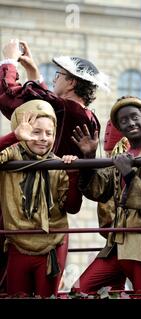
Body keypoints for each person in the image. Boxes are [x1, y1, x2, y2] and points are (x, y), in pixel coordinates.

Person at [71, 96, 141, 294]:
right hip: (115, 246)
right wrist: (88, 158)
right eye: (124, 120)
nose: (130, 123)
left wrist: (129, 174)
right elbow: (98, 190)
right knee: (79, 290)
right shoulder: (120, 158)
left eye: (134, 117)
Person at [0, 99, 82, 297]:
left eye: (49, 133)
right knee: (17, 295)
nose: (43, 138)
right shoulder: (10, 157)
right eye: (35, 132)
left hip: (53, 244)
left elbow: (72, 207)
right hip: (18, 242)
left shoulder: (58, 164)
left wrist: (73, 173)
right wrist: (14, 136)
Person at [0, 39, 108, 158]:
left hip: (52, 176)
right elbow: (45, 100)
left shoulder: (67, 109)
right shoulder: (86, 115)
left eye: (58, 75)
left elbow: (8, 98)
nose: (54, 80)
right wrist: (32, 70)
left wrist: (9, 61)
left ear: (71, 83)